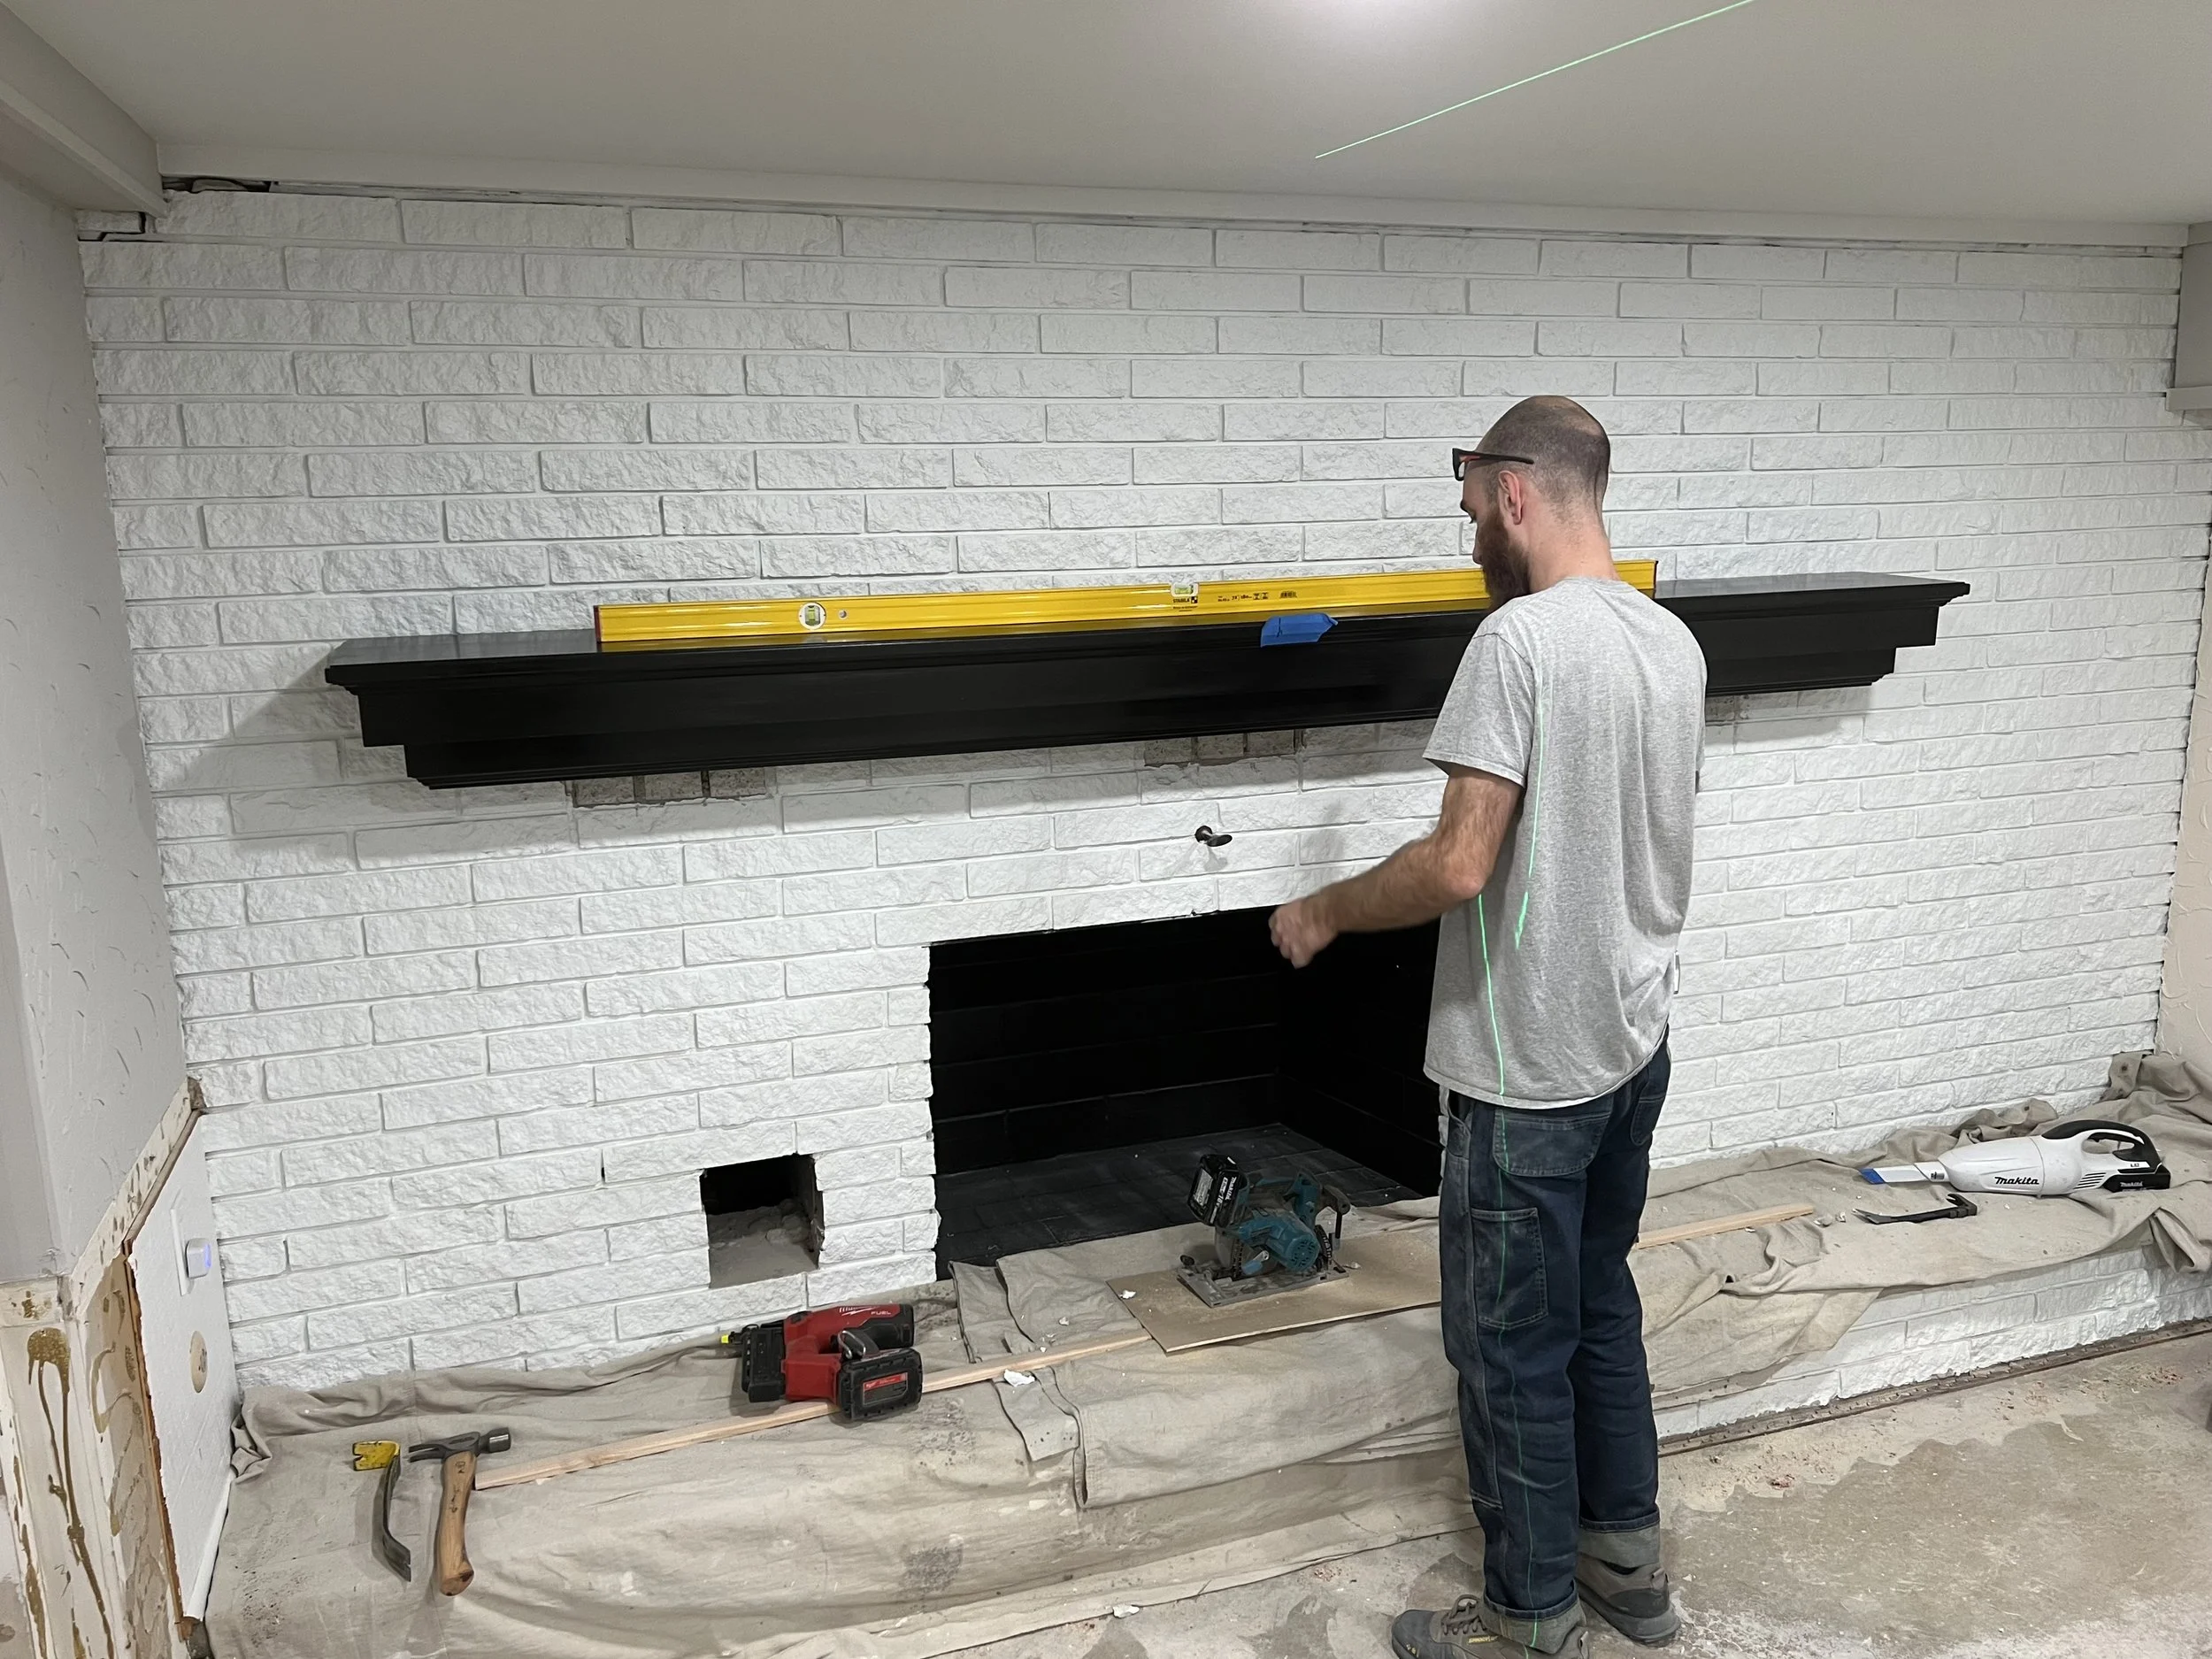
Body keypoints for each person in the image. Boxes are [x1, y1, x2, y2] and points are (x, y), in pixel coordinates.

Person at [1268, 396, 1704, 1657]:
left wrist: (1325, 909)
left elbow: (1460, 863)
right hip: (1631, 1047)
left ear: (1515, 493)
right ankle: (1626, 1568)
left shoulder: (1517, 643)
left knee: (1509, 1349)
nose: (1471, 542)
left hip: (1529, 1076)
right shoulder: (1669, 640)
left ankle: (1527, 1619)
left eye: (1471, 513)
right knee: (1598, 1303)